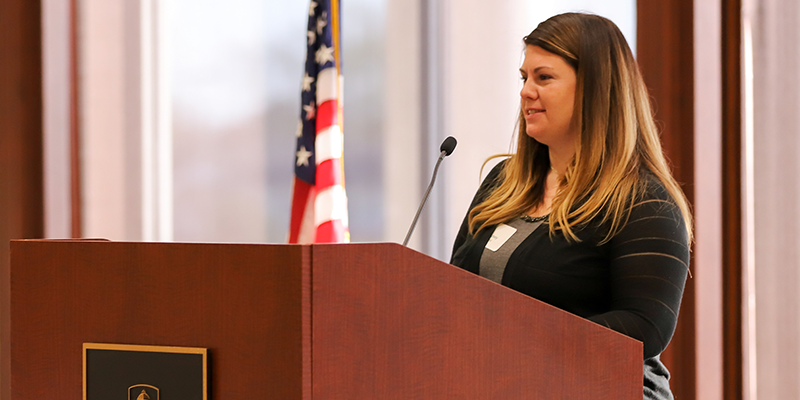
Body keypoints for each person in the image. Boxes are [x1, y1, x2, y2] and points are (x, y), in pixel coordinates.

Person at [449, 13, 692, 400]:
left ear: (596, 89)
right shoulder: (503, 181)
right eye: (524, 77)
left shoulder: (644, 201)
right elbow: (453, 290)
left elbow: (645, 325)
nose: (527, 91)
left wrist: (518, 347)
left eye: (543, 78)